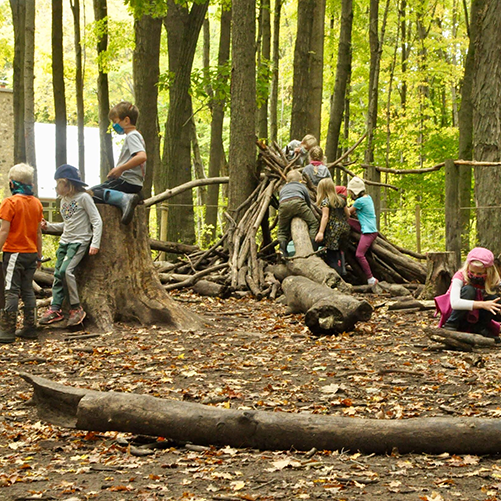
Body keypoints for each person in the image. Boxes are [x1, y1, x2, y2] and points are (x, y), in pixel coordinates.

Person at [40, 165, 103, 327]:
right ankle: (55, 309)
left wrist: (95, 243)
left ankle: (76, 308)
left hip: (78, 242)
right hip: (65, 241)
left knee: (66, 271)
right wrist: (49, 226)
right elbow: (67, 224)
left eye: (57, 184)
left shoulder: (84, 198)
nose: (55, 188)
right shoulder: (64, 201)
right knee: (58, 274)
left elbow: (96, 221)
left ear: (66, 183)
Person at [0, 164, 43, 343]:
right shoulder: (37, 203)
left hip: (14, 252)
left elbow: (4, 230)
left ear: (12, 183)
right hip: (31, 252)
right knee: (27, 290)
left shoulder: (9, 203)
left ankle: (7, 331)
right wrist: (39, 254)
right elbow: (39, 232)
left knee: (11, 290)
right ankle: (30, 328)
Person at [90, 101, 147, 225]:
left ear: (126, 120)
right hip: (134, 184)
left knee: (89, 194)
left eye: (116, 122)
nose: (114, 125)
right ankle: (133, 197)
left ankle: (124, 198)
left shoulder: (132, 136)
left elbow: (142, 156)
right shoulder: (136, 136)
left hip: (126, 182)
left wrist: (120, 169)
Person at [438, 247, 501, 337]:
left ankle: (480, 327)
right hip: (455, 312)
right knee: (469, 290)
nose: (475, 275)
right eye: (472, 272)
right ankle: (451, 325)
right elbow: (454, 303)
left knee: (495, 300)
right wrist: (483, 304)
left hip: (475, 315)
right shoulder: (460, 276)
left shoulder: (493, 278)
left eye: (479, 274)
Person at [277, 170, 319, 257]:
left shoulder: (283, 188)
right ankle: (313, 246)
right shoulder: (302, 186)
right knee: (314, 223)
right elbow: (307, 201)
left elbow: (281, 199)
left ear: (287, 181)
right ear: (300, 180)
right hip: (299, 203)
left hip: (283, 205)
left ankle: (282, 250)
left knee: (282, 230)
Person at [314, 178, 350, 275]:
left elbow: (325, 217)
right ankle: (343, 270)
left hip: (333, 232)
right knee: (340, 251)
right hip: (345, 230)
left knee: (332, 256)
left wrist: (321, 232)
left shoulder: (325, 202)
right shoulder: (341, 200)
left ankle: (337, 276)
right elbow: (348, 214)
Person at [347, 176, 378, 286]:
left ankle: (370, 278)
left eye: (351, 192)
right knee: (348, 222)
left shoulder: (359, 201)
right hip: (367, 228)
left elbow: (347, 213)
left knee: (359, 254)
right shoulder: (367, 198)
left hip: (369, 232)